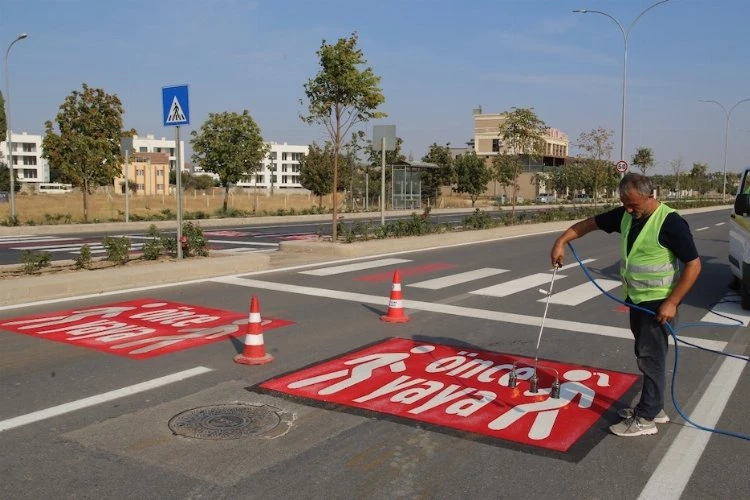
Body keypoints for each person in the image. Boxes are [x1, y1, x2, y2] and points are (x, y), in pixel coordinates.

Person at [550, 173, 701, 437]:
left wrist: (672, 302)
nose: (629, 210)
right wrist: (561, 241)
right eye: (624, 204)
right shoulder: (626, 215)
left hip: (658, 303)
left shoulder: (670, 222)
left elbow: (694, 265)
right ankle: (655, 407)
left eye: (634, 204)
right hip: (637, 299)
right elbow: (589, 224)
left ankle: (645, 419)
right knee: (648, 355)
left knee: (650, 359)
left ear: (650, 195)